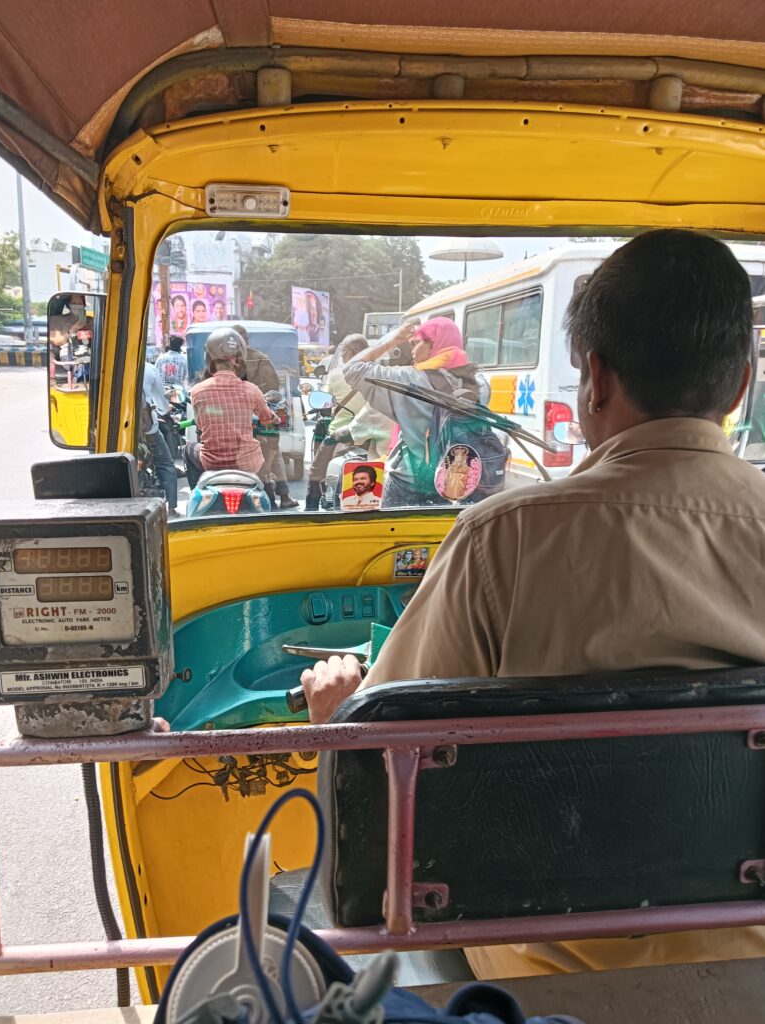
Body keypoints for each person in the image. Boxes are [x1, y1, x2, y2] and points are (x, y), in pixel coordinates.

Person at [300, 229, 765, 977]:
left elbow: (387, 748)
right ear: (740, 387)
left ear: (595, 379)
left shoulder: (504, 538)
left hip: (540, 975)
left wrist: (336, 719)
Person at [342, 318, 487, 508]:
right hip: (457, 484)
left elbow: (353, 368)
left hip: (410, 482)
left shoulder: (412, 379)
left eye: (416, 343)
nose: (412, 350)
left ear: (432, 344)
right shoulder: (481, 383)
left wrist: (392, 340)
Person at [304, 333, 393, 510]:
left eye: (344, 350)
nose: (343, 354)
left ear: (351, 352)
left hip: (341, 435)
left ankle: (310, 511)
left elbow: (327, 401)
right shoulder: (381, 375)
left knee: (315, 474)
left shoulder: (338, 375)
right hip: (374, 438)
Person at [185, 327, 279, 490]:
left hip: (212, 464)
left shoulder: (197, 391)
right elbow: (267, 419)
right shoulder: (252, 389)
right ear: (239, 359)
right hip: (248, 464)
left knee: (188, 449)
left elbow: (200, 427)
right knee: (264, 455)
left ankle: (197, 491)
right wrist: (273, 419)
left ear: (209, 358)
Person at [231, 324, 299, 510]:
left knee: (269, 455)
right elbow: (273, 388)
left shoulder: (222, 361)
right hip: (263, 416)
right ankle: (282, 496)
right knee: (272, 453)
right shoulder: (260, 359)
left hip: (236, 418)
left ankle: (273, 495)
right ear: (246, 340)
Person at [141, 362, 179, 516]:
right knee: (166, 465)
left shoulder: (107, 366)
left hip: (118, 431)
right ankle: (170, 508)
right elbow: (161, 401)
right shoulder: (149, 369)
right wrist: (165, 408)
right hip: (147, 430)